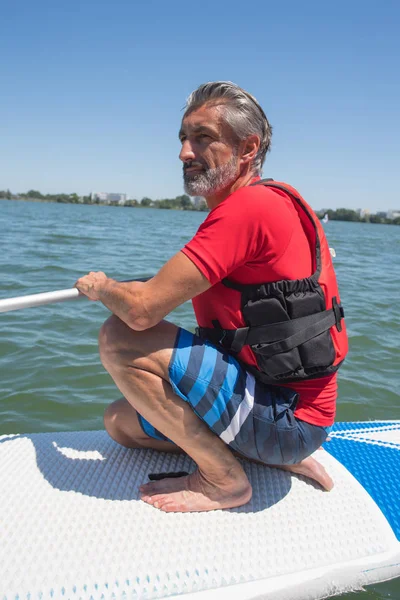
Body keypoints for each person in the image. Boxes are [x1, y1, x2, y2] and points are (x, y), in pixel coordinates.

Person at [75, 81, 348, 514]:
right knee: (120, 423)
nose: (185, 152)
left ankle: (224, 480)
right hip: (288, 416)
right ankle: (258, 452)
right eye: (183, 139)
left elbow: (143, 311)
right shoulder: (280, 201)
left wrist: (102, 287)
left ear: (247, 148)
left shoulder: (246, 210)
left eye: (203, 138)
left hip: (287, 418)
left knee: (118, 336)